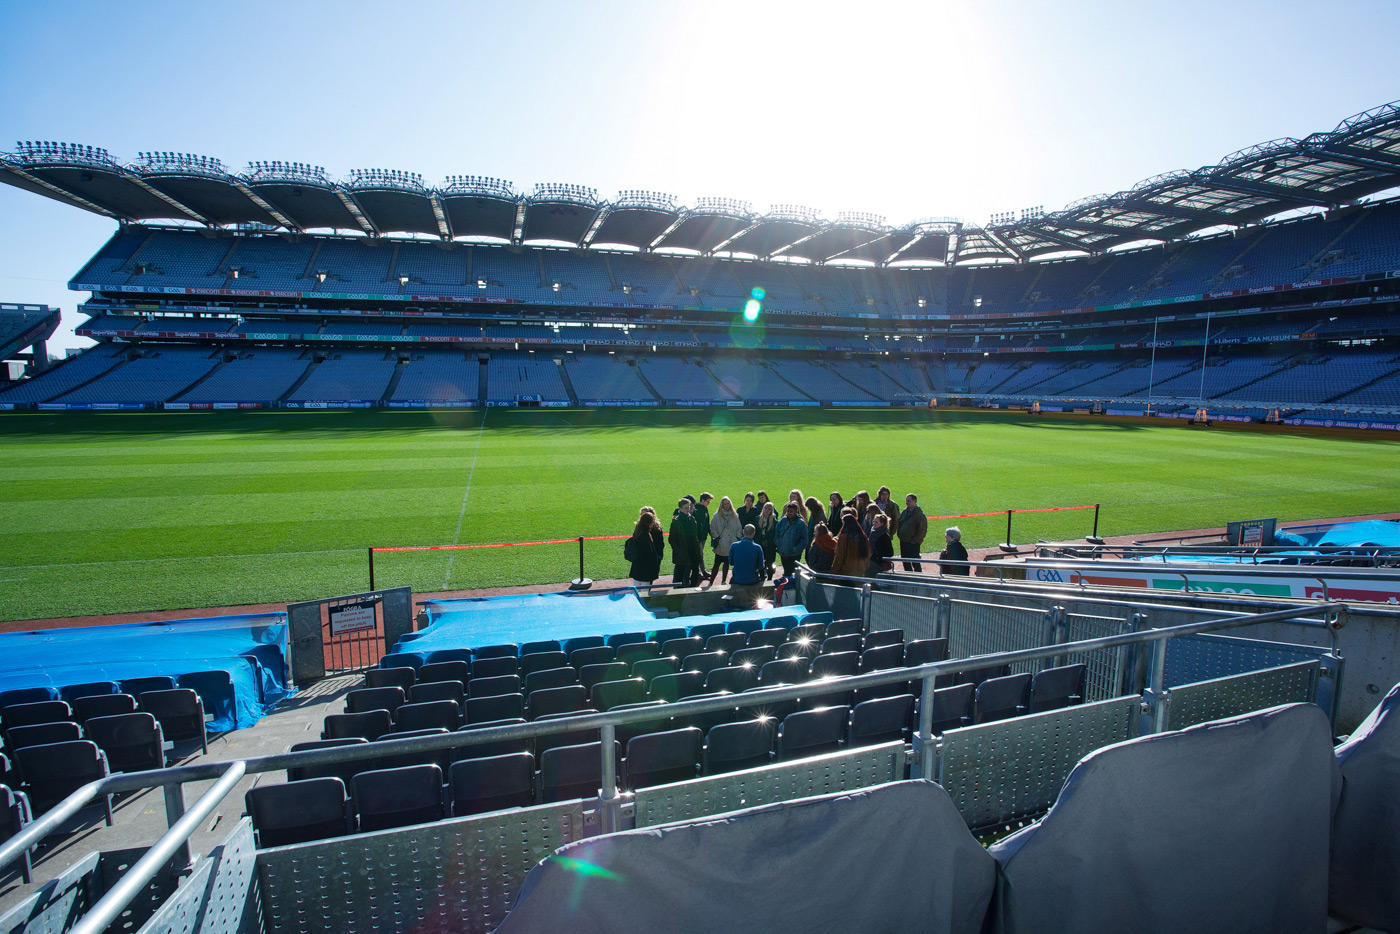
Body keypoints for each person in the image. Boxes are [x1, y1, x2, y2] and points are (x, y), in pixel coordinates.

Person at [624, 507, 665, 590]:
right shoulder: (645, 533)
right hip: (646, 565)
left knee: (638, 587)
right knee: (644, 588)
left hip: (639, 564)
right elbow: (650, 551)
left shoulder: (639, 529)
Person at [728, 524, 766, 608]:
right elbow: (760, 566)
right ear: (753, 533)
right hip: (752, 579)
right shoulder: (757, 548)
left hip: (738, 579)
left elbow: (730, 562)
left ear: (743, 532)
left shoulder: (734, 546)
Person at [708, 495, 741, 584]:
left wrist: (737, 537)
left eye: (727, 504)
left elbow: (739, 528)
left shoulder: (734, 515)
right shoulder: (717, 515)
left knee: (726, 564)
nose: (726, 506)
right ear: (721, 505)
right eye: (724, 504)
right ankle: (711, 582)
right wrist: (717, 537)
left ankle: (723, 581)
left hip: (730, 544)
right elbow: (713, 528)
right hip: (721, 544)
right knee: (716, 564)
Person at [668, 498, 702, 587]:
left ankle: (693, 589)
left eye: (689, 507)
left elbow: (695, 536)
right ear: (680, 508)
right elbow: (671, 539)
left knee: (695, 571)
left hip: (692, 550)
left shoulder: (692, 519)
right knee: (679, 573)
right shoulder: (675, 522)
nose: (688, 510)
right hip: (682, 552)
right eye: (686, 508)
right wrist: (678, 550)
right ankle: (677, 592)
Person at [774, 501, 809, 579]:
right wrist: (777, 543)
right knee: (786, 571)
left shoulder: (801, 523)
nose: (789, 513)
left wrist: (795, 549)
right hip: (783, 552)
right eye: (788, 511)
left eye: (791, 512)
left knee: (792, 574)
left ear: (796, 511)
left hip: (794, 555)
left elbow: (804, 540)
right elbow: (777, 532)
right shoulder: (783, 521)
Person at [832, 509, 869, 577]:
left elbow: (840, 555)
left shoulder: (844, 537)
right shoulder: (863, 536)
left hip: (847, 571)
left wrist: (833, 572)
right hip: (860, 570)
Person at [896, 493, 928, 572]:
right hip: (903, 541)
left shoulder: (920, 515)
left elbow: (922, 530)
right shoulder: (904, 512)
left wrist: (915, 540)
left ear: (914, 501)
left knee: (915, 562)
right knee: (905, 561)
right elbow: (899, 522)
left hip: (913, 543)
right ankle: (908, 576)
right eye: (906, 501)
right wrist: (899, 534)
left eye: (909, 501)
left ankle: (918, 578)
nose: (907, 502)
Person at [692, 493, 714, 585]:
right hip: (698, 537)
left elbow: (707, 523)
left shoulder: (705, 509)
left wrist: (710, 534)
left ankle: (697, 571)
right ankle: (703, 571)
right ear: (703, 500)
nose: (708, 503)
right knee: (700, 554)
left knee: (699, 554)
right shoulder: (696, 509)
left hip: (703, 536)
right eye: (708, 501)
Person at [755, 501, 778, 580]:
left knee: (770, 563)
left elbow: (774, 534)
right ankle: (761, 577)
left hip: (769, 545)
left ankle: (770, 579)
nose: (766, 511)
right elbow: (756, 532)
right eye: (765, 508)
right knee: (760, 562)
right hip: (760, 543)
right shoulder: (758, 518)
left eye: (769, 509)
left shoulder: (774, 521)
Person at [867, 512, 894, 577]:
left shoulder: (885, 536)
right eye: (874, 521)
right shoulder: (872, 533)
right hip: (871, 562)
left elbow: (890, 552)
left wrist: (878, 556)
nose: (874, 524)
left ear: (882, 524)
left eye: (876, 522)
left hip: (879, 564)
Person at [803, 496, 827, 561]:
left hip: (815, 539)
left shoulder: (820, 515)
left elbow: (822, 529)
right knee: (807, 557)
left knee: (810, 558)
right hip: (810, 537)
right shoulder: (813, 514)